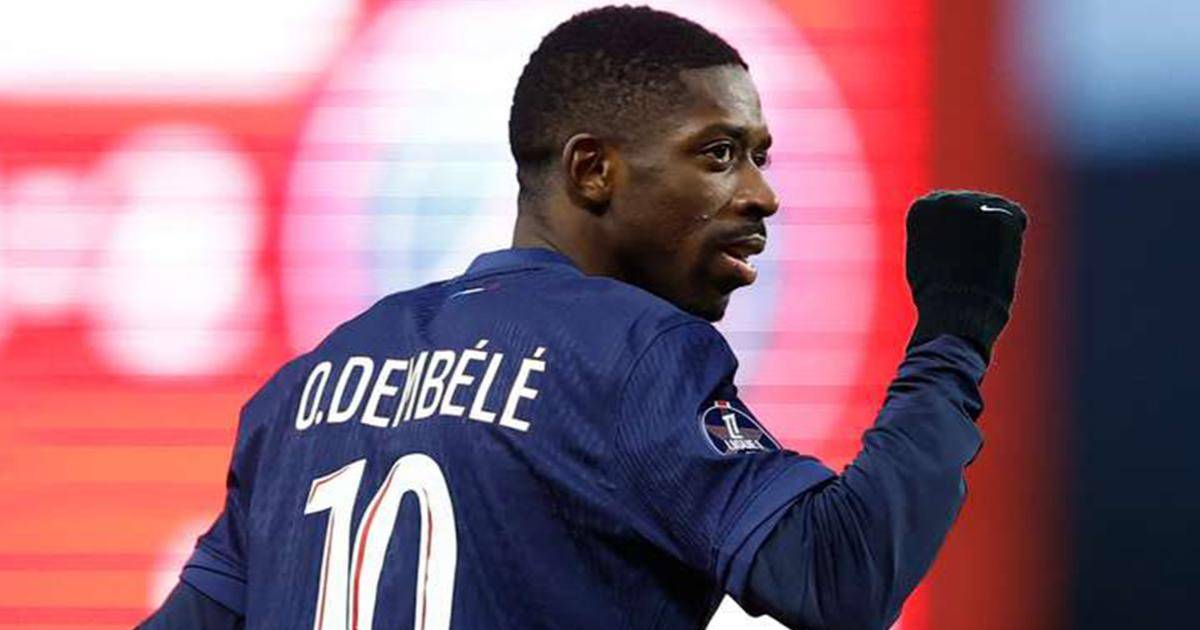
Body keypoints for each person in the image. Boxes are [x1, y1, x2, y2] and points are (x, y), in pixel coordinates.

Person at [140, 5, 1027, 629]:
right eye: (719, 154)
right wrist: (954, 332)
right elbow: (838, 574)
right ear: (592, 171)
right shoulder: (630, 353)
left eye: (760, 156)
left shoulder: (310, 384)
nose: (762, 195)